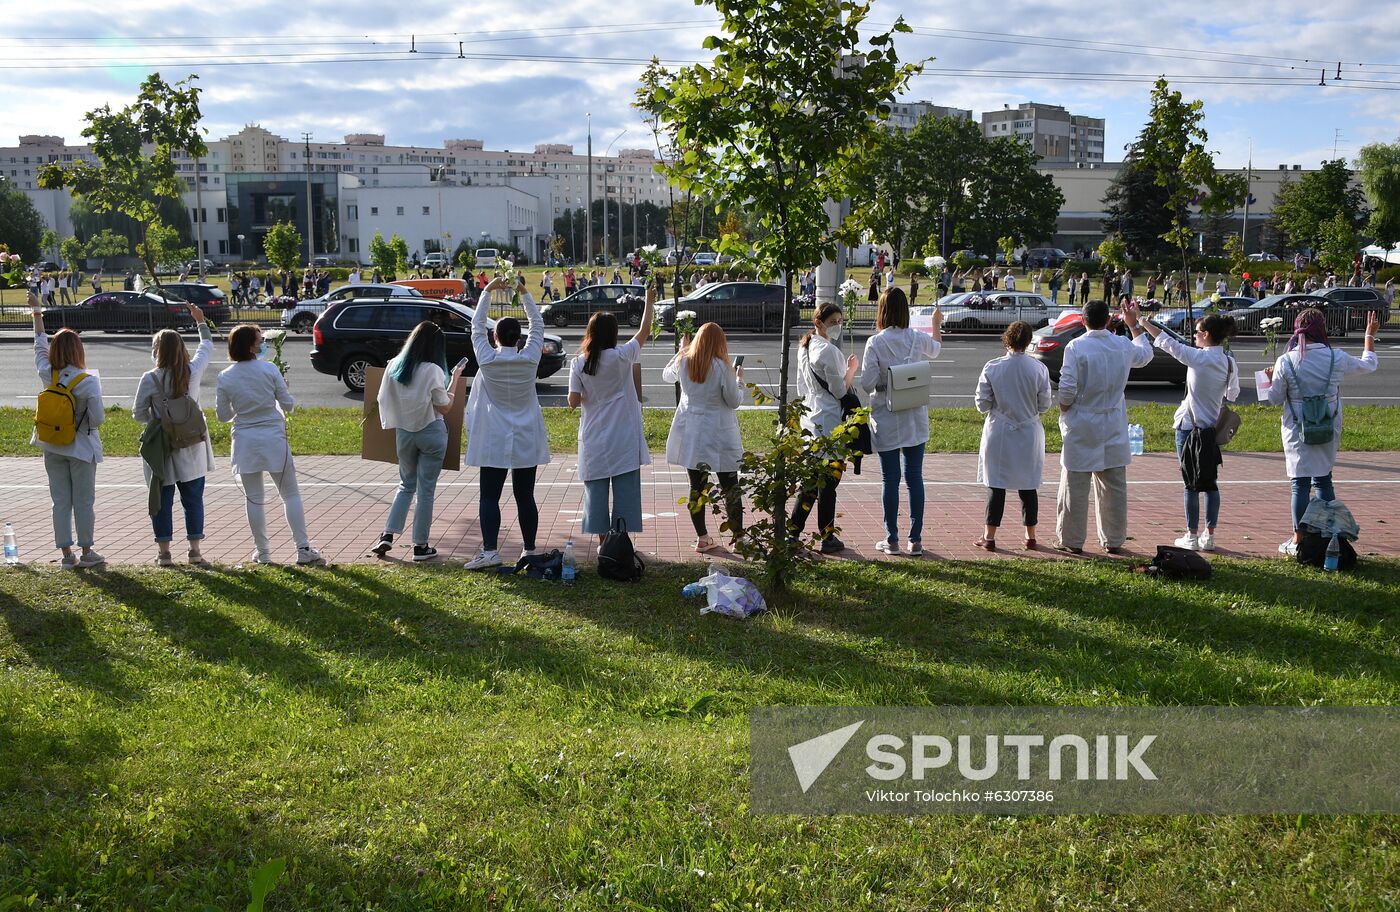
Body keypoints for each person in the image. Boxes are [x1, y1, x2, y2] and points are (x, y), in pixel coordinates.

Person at [1125, 303, 1240, 551]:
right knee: (1210, 482)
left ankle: (1191, 534)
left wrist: (1141, 322)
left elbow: (1169, 344)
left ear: (1207, 335)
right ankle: (1209, 535)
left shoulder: (1199, 358)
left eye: (1197, 332)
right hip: (1211, 430)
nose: (1195, 336)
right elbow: (1233, 393)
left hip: (1189, 428)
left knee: (1190, 483)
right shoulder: (1229, 362)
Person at [1264, 308, 1380, 556]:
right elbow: (1369, 365)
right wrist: (1368, 335)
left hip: (1298, 428)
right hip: (1328, 424)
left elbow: (1273, 399)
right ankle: (1330, 534)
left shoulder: (1287, 360)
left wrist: (1269, 380)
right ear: (1322, 329)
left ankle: (1299, 541)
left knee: (1299, 483)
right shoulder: (1335, 356)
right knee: (1324, 478)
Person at [215, 325, 326, 565]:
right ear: (251, 346)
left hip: (245, 440)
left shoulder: (225, 376)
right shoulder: (269, 369)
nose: (262, 343)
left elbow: (223, 416)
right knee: (290, 494)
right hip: (273, 437)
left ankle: (263, 552)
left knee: (254, 497)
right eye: (259, 340)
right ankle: (303, 548)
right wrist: (281, 388)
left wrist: (242, 405)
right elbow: (288, 405)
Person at [463, 276, 548, 569]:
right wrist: (522, 290)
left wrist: (487, 290)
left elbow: (476, 327)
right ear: (519, 338)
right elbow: (537, 324)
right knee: (525, 495)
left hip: (495, 435)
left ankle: (490, 550)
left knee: (489, 495)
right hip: (525, 433)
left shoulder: (487, 359)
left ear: (496, 338)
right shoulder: (530, 359)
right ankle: (530, 549)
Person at [369, 322, 467, 562]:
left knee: (405, 484)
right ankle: (420, 546)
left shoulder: (394, 365)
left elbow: (382, 397)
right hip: (431, 431)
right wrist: (454, 379)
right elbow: (445, 406)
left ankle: (387, 534)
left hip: (403, 432)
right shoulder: (433, 369)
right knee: (426, 491)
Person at [569, 288, 656, 548]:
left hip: (595, 435)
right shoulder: (622, 356)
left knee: (595, 490)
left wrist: (589, 394)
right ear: (614, 333)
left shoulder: (579, 363)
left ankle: (603, 541)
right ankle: (621, 540)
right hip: (624, 434)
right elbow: (644, 331)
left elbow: (573, 402)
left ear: (590, 333)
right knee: (625, 489)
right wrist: (649, 301)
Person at [860, 288, 943, 555]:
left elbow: (867, 383)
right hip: (914, 414)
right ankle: (915, 539)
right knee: (915, 477)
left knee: (890, 479)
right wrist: (935, 324)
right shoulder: (917, 339)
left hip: (886, 415)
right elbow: (937, 351)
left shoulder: (875, 342)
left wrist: (886, 380)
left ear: (881, 311)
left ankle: (892, 538)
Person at [133, 304, 216, 566]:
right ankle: (195, 551)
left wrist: (159, 421)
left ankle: (164, 553)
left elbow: (138, 413)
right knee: (193, 499)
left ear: (157, 351)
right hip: (191, 445)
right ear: (181, 349)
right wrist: (200, 321)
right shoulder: (192, 371)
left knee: (162, 499)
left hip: (163, 447)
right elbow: (207, 346)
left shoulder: (150, 378)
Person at [30, 294, 106, 569]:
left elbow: (39, 345)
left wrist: (37, 312)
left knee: (60, 501)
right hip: (81, 448)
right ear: (79, 351)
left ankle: (66, 555)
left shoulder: (47, 373)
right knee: (83, 501)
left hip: (51, 444)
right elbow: (96, 418)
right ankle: (87, 552)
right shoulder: (87, 381)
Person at [663, 323, 745, 552]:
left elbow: (666, 376)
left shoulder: (685, 361)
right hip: (719, 433)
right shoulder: (722, 367)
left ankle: (702, 537)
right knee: (730, 485)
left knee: (697, 486)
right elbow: (734, 401)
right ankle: (739, 539)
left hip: (693, 431)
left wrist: (682, 349)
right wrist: (740, 381)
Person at [973, 321, 1052, 551]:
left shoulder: (993, 367)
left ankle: (989, 536)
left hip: (1000, 429)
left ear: (1006, 339)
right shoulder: (1038, 369)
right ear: (1028, 342)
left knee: (996, 484)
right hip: (1028, 430)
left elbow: (982, 403)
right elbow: (1044, 404)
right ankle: (1030, 535)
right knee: (1028, 485)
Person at [789, 302, 860, 552]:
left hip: (811, 418)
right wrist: (852, 370)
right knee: (828, 482)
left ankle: (793, 532)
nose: (838, 327)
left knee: (811, 480)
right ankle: (827, 536)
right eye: (833, 322)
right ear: (818, 323)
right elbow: (841, 390)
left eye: (840, 322)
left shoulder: (805, 347)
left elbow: (800, 386)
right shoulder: (829, 352)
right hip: (829, 420)